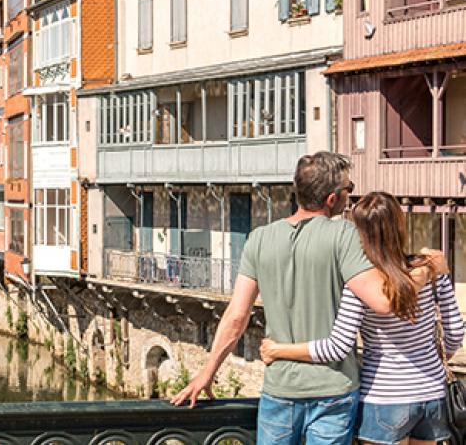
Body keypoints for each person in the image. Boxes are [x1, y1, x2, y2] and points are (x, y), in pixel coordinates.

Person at [170, 152, 447, 445]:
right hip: (334, 389)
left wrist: (208, 371)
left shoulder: (259, 238)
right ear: (332, 199)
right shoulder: (345, 235)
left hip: (280, 388)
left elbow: (237, 317)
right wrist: (428, 268)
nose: (349, 197)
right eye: (348, 190)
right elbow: (384, 301)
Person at [260, 191, 464, 445]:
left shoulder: (362, 285)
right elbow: (455, 330)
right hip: (431, 394)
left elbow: (337, 347)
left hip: (384, 398)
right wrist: (430, 360)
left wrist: (279, 350)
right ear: (400, 225)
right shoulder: (432, 269)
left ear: (361, 234)